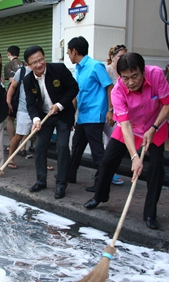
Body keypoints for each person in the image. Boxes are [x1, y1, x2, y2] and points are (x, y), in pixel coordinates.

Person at [83, 52, 169, 230]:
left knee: (156, 167)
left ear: (143, 71)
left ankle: (150, 214)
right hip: (130, 127)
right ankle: (99, 196)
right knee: (107, 161)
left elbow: (167, 104)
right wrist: (134, 157)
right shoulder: (118, 91)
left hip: (154, 126)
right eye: (125, 78)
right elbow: (124, 126)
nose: (131, 82)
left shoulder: (155, 74)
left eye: (135, 76)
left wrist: (153, 128)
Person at [23, 45, 78, 199]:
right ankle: (41, 181)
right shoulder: (27, 80)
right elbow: (30, 103)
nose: (39, 64)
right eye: (34, 62)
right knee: (39, 147)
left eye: (41, 59)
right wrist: (35, 119)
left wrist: (60, 105)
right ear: (28, 65)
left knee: (62, 147)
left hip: (63, 115)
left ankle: (61, 184)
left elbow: (74, 89)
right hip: (44, 116)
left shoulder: (59, 69)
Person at [65, 36, 113, 193]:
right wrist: (72, 115)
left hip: (95, 115)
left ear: (75, 51)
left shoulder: (95, 66)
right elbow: (76, 93)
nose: (68, 55)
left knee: (97, 151)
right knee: (77, 146)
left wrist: (110, 110)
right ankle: (70, 175)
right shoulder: (78, 69)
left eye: (68, 52)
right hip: (83, 115)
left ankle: (101, 183)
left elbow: (109, 87)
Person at [105, 44, 128, 186]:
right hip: (110, 111)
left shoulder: (126, 70)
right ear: (112, 57)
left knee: (116, 142)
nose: (122, 59)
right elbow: (108, 91)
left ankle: (110, 171)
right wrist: (110, 110)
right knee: (110, 141)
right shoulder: (107, 70)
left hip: (123, 111)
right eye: (120, 56)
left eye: (125, 56)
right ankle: (109, 172)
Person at [6, 65, 31, 169]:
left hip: (39, 109)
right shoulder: (22, 71)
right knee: (19, 135)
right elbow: (13, 86)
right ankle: (10, 158)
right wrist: (8, 100)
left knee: (42, 137)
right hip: (24, 109)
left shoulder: (45, 70)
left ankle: (43, 162)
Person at [4, 45, 25, 152]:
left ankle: (13, 144)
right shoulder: (25, 65)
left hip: (13, 94)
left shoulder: (8, 65)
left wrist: (8, 100)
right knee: (25, 119)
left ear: (8, 53)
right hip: (24, 93)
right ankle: (23, 147)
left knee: (10, 119)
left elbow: (13, 82)